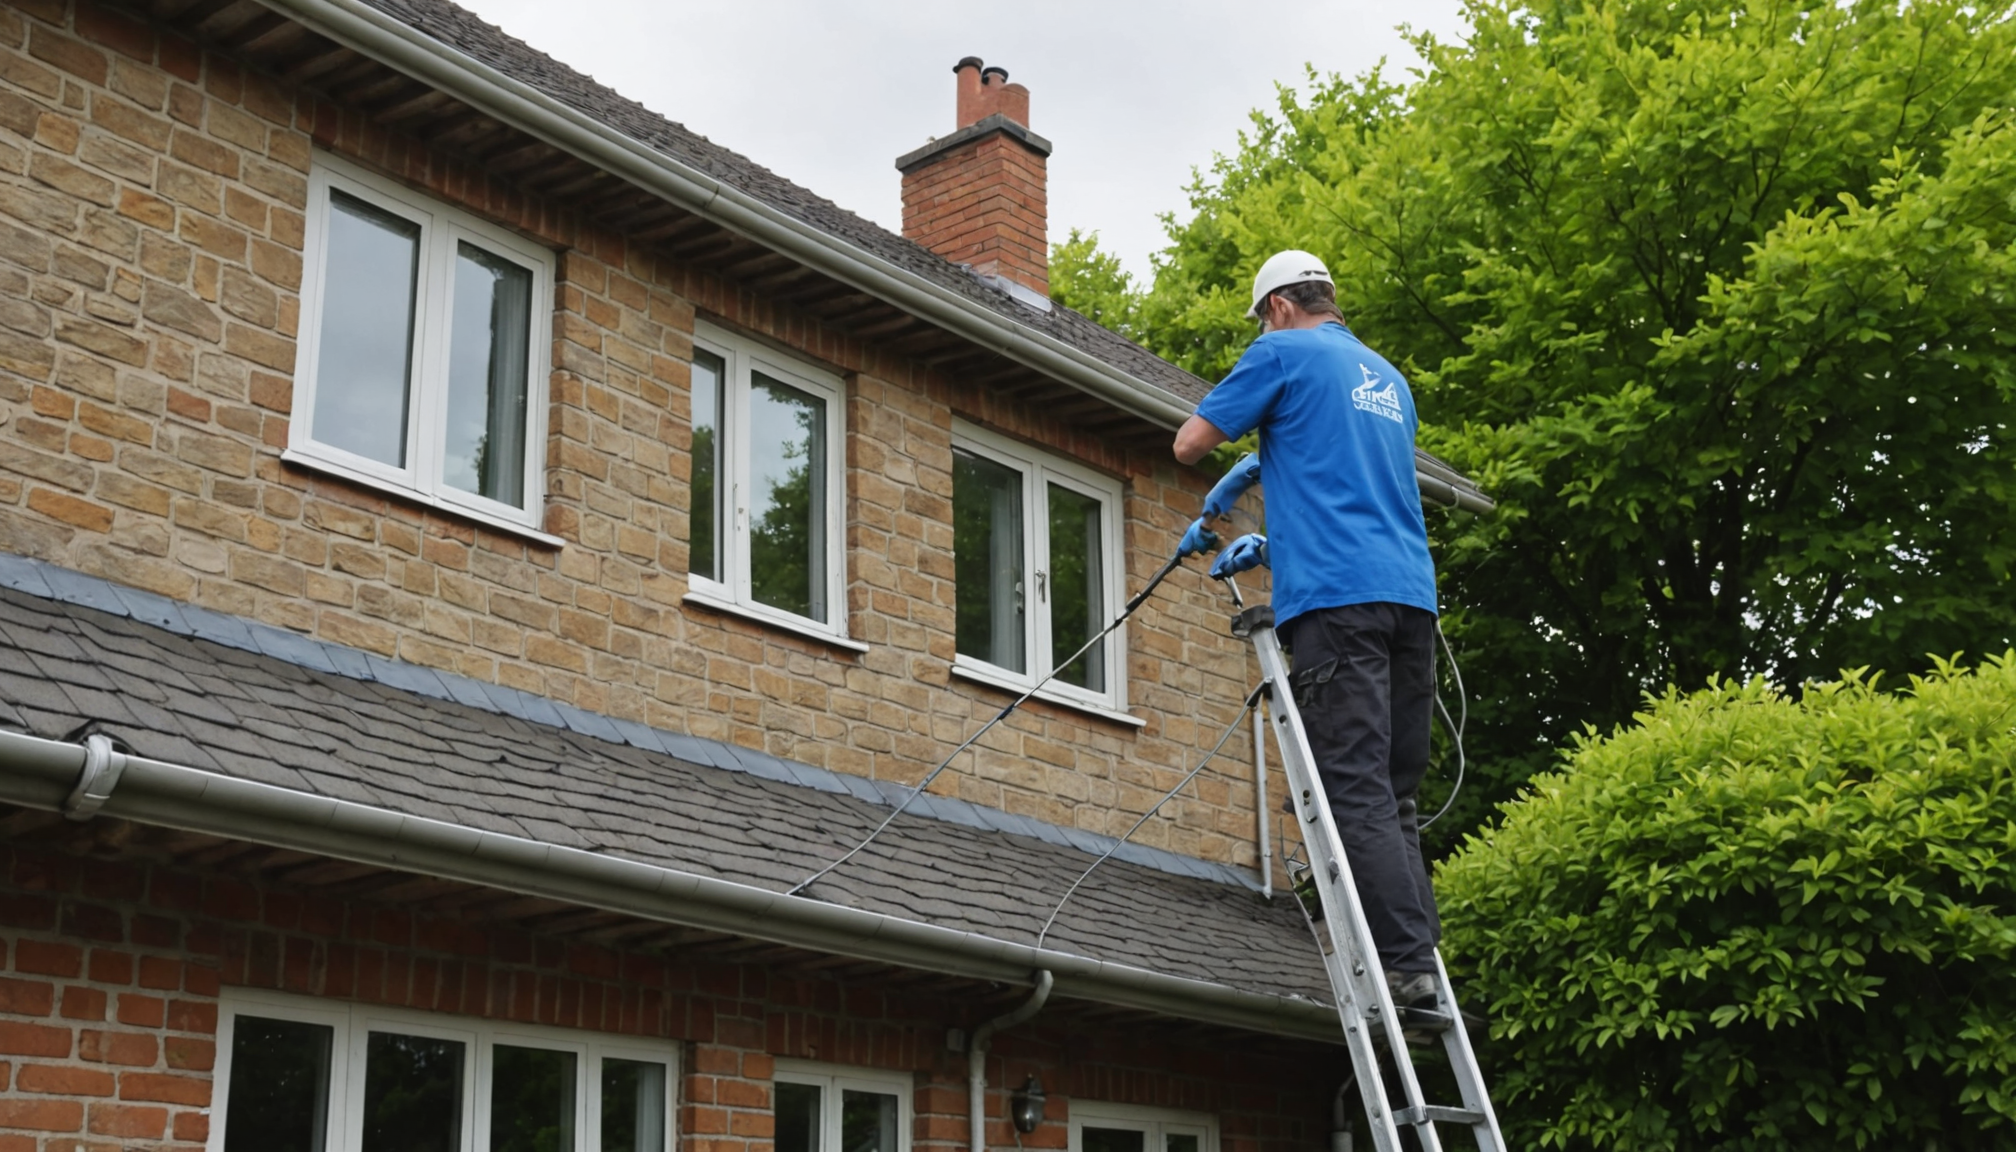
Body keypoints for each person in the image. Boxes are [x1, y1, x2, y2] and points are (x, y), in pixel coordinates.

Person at [1172, 250, 1444, 1016]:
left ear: (1280, 307)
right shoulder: (1387, 379)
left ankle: (1403, 967)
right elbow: (1344, 477)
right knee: (1393, 795)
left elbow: (1188, 443)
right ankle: (1419, 961)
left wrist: (1236, 460)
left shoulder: (1281, 352)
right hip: (1409, 599)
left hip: (1336, 604)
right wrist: (1268, 516)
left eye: (1262, 320)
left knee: (1351, 787)